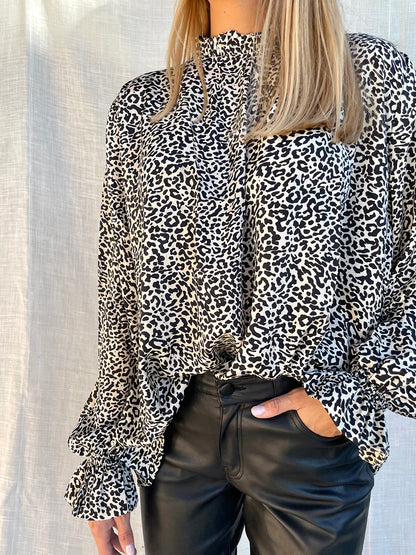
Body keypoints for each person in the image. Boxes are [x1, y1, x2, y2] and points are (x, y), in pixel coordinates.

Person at [64, 0, 416, 554]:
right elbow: (121, 291)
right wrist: (106, 462)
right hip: (177, 428)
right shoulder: (145, 105)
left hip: (308, 428)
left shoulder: (362, 75)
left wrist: (351, 394)